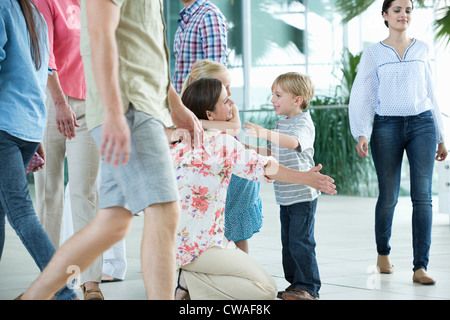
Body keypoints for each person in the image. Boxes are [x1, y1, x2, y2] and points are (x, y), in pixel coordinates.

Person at [19, 0, 202, 300]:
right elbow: (96, 37)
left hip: (125, 104)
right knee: (163, 211)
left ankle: (48, 293)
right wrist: (114, 113)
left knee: (109, 220)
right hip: (117, 105)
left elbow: (144, 48)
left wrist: (175, 104)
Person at [172, 78, 336, 300]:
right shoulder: (220, 143)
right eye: (225, 100)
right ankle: (190, 279)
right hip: (201, 247)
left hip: (169, 244)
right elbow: (266, 167)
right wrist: (305, 178)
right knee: (265, 289)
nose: (232, 104)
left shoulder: (176, 142)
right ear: (209, 115)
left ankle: (186, 278)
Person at [348, 0, 447, 285]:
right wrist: (362, 132)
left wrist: (441, 136)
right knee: (389, 195)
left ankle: (420, 267)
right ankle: (383, 253)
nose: (403, 15)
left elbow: (431, 92)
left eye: (408, 10)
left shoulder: (423, 49)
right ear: (385, 15)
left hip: (423, 124)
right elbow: (363, 94)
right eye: (397, 10)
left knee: (422, 196)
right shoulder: (374, 53)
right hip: (386, 126)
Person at [0, 0, 77, 300]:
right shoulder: (34, 13)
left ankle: (66, 292)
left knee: (20, 212)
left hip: (5, 127)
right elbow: (38, 73)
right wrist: (33, 133)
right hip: (28, 126)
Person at [33, 0, 103, 300]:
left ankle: (91, 282)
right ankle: (50, 281)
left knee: (84, 193)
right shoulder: (46, 1)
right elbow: (44, 51)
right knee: (48, 193)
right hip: (51, 102)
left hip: (89, 105)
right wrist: (60, 104)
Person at [244, 72, 322, 300]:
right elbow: (272, 152)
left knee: (301, 243)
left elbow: (293, 142)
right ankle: (295, 284)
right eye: (272, 95)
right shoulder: (280, 123)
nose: (272, 100)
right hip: (285, 196)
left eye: (278, 95)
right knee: (289, 245)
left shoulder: (303, 122)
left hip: (302, 196)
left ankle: (308, 288)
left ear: (297, 100)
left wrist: (266, 132)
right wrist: (246, 147)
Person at [182, 59, 262, 253]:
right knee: (218, 230)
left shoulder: (222, 109)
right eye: (224, 86)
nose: (229, 93)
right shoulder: (187, 113)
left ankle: (242, 272)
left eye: (228, 86)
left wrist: (200, 123)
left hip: (236, 181)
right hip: (216, 182)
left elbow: (232, 133)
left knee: (237, 231)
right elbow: (232, 129)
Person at [173, 0, 228, 94]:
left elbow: (216, 73)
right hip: (183, 103)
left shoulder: (209, 16)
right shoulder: (187, 17)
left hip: (199, 104)